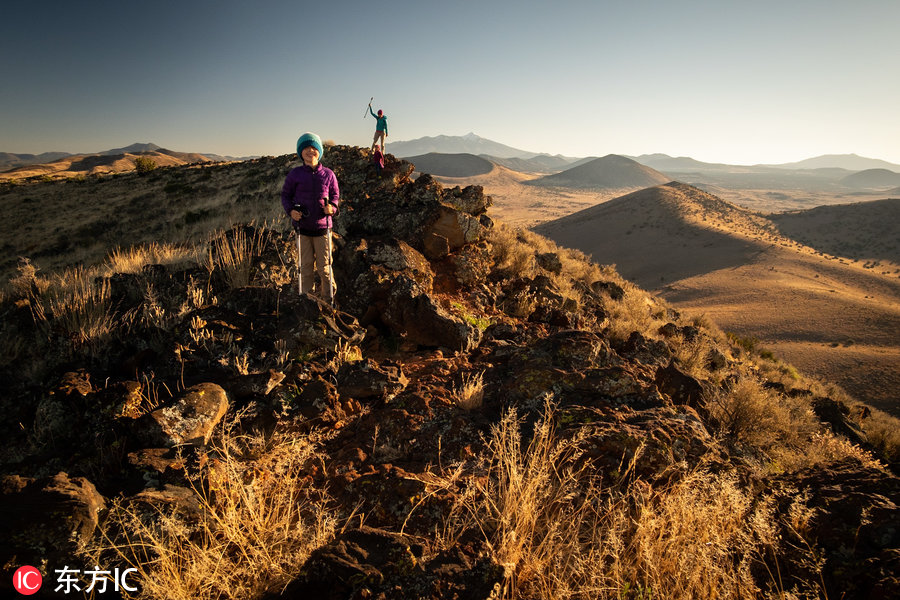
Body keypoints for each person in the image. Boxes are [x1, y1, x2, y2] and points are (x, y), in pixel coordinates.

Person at [281, 132, 340, 304]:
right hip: (302, 229)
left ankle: (328, 303)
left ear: (319, 151)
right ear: (301, 152)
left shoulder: (329, 175)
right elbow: (285, 195)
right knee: (305, 268)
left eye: (314, 148)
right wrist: (291, 211)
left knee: (325, 268)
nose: (310, 151)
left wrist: (333, 208)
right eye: (306, 148)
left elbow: (335, 195)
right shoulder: (295, 174)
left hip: (323, 229)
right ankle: (307, 303)